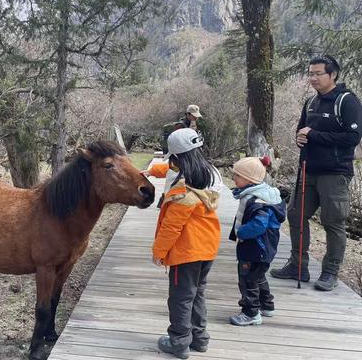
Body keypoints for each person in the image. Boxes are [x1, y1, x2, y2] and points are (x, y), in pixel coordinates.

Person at [270, 55, 362, 291]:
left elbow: (353, 138)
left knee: (333, 222)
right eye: (310, 73)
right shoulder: (311, 102)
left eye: (318, 73)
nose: (313, 78)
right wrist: (300, 137)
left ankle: (330, 272)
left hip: (335, 173)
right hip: (307, 170)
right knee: (296, 214)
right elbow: (302, 131)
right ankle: (298, 265)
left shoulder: (347, 101)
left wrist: (312, 135)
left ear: (333, 74)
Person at [144, 128, 221, 359]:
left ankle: (178, 341)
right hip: (207, 249)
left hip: (186, 253)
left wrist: (158, 252)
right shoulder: (208, 175)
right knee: (197, 294)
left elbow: (171, 228)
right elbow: (168, 168)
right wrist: (150, 170)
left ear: (177, 159)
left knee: (180, 298)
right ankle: (200, 338)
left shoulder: (182, 194)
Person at [229, 156, 286, 326]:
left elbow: (259, 225)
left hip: (255, 248)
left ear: (248, 179)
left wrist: (242, 232)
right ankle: (267, 305)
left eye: (237, 176)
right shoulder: (262, 194)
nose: (234, 178)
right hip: (264, 248)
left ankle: (251, 312)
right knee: (258, 275)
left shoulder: (256, 201)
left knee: (247, 279)